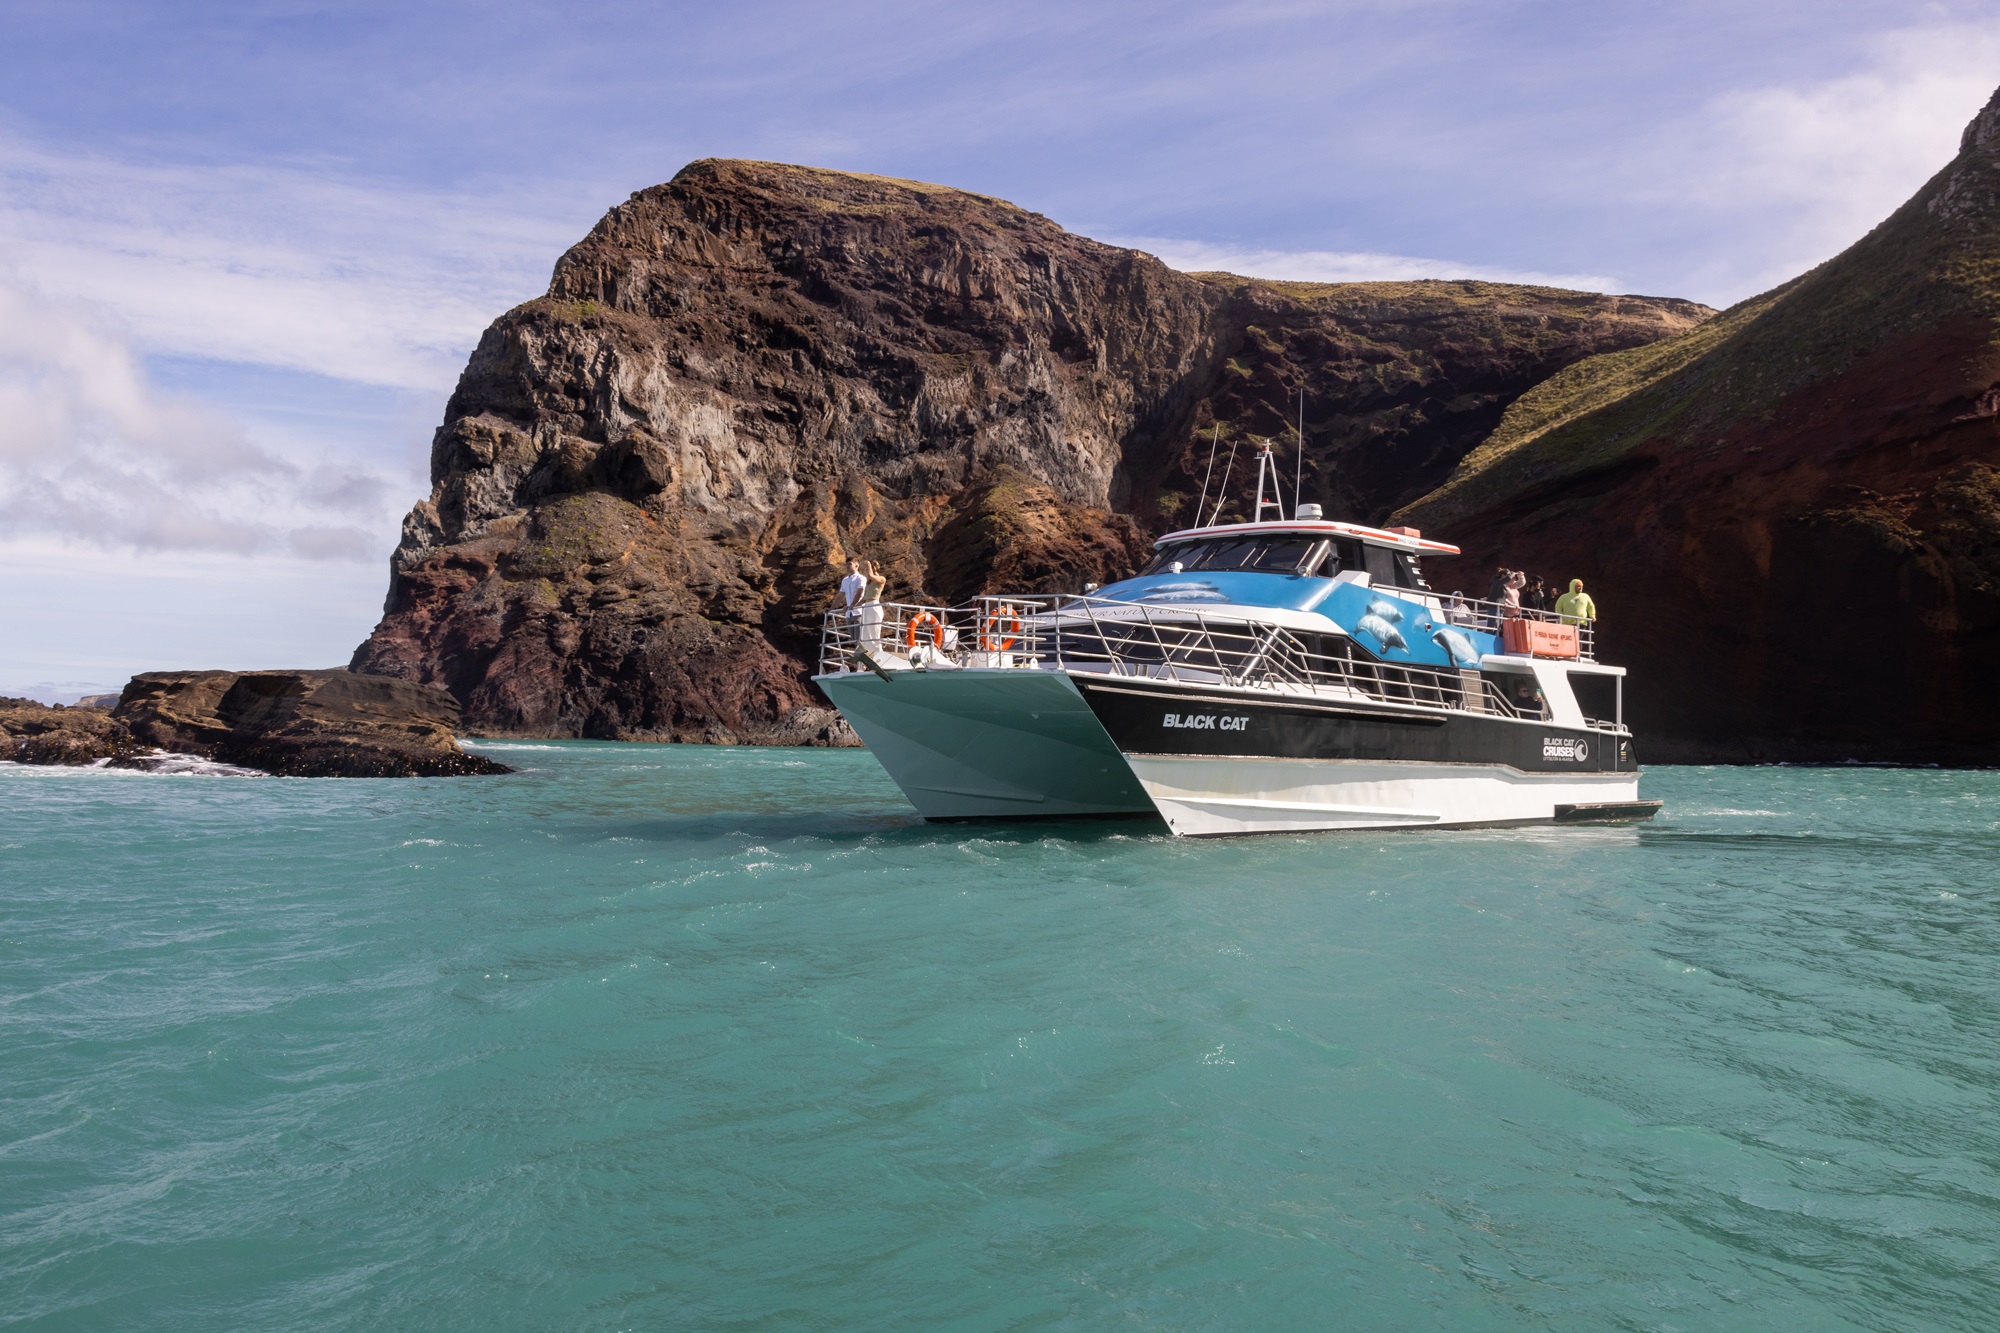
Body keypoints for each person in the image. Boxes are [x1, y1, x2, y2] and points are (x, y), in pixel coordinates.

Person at [856, 559, 887, 654]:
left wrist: (869, 565)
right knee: (865, 631)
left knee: (874, 631)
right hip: (866, 606)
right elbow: (863, 599)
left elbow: (871, 576)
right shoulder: (868, 584)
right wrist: (852, 606)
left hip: (874, 605)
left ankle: (878, 653)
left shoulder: (881, 579)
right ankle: (866, 653)